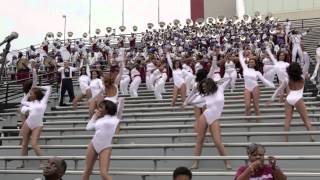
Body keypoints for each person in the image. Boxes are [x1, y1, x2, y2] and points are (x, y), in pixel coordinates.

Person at [190, 77, 232, 170]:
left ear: (210, 85)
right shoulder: (204, 96)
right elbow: (190, 102)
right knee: (199, 140)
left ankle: (227, 162)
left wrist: (216, 82)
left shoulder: (220, 89)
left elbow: (230, 78)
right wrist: (194, 92)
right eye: (202, 87)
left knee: (217, 142)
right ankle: (195, 162)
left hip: (214, 118)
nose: (204, 89)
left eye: (205, 86)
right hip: (205, 116)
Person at [268, 62, 315, 142]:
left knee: (287, 119)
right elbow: (309, 73)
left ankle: (286, 139)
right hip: (298, 99)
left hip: (289, 99)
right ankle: (312, 136)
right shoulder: (302, 77)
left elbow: (279, 89)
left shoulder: (287, 79)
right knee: (306, 119)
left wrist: (271, 99)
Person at [82, 100, 119, 180]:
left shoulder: (114, 119)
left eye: (101, 107)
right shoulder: (99, 119)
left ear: (107, 109)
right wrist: (95, 116)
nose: (98, 109)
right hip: (93, 144)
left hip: (105, 146)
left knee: (103, 173)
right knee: (87, 171)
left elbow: (117, 124)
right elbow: (88, 128)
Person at [19, 85, 51, 168]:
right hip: (28, 123)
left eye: (31, 93)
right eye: (30, 93)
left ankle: (43, 162)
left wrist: (37, 86)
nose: (30, 95)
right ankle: (23, 163)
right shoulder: (30, 103)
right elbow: (22, 101)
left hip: (38, 125)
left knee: (34, 144)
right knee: (24, 144)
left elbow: (49, 88)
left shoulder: (43, 101)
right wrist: (29, 91)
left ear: (36, 94)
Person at [239, 51, 275, 120]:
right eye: (250, 62)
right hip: (247, 88)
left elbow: (264, 81)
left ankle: (258, 121)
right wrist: (241, 52)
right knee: (247, 105)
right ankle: (248, 123)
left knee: (256, 106)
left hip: (255, 87)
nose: (250, 63)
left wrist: (272, 85)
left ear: (255, 64)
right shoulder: (245, 69)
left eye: (252, 62)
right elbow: (241, 60)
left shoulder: (257, 72)